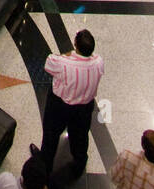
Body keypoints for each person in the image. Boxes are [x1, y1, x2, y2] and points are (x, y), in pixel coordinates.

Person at [31, 29, 104, 179]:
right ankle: (80, 162)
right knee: (80, 137)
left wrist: (69, 54)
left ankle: (45, 166)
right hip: (84, 107)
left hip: (60, 107)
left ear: (75, 45)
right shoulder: (98, 62)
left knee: (51, 136)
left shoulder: (63, 63)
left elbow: (48, 63)